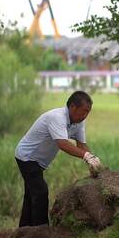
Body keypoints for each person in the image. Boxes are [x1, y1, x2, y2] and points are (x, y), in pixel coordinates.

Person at [15, 91, 103, 227]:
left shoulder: (79, 122)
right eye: (83, 111)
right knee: (40, 192)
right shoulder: (57, 117)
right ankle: (41, 230)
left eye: (88, 112)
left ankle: (25, 230)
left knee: (31, 194)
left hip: (39, 160)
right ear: (72, 107)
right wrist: (86, 156)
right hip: (28, 156)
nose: (85, 116)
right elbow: (62, 144)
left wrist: (93, 161)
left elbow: (81, 145)